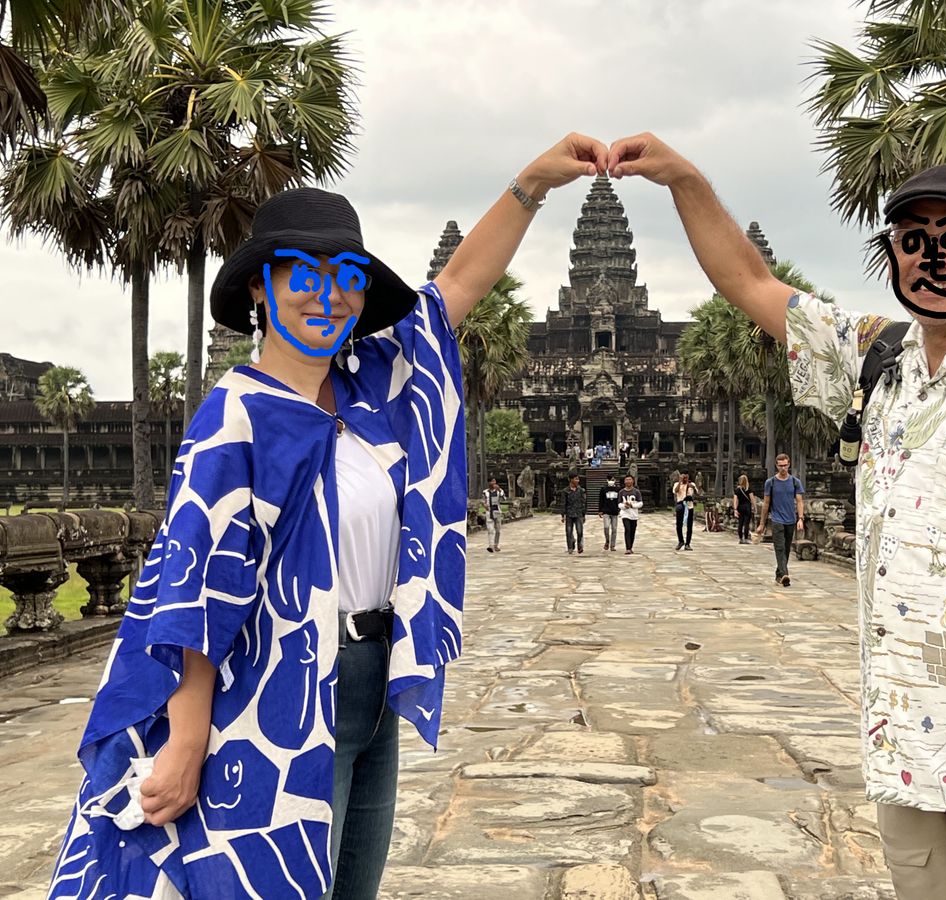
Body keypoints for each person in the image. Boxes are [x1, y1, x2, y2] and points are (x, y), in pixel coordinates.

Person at [47, 133, 609, 900]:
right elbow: (194, 588)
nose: (327, 293)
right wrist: (185, 739)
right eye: (302, 273)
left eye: (345, 276)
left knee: (352, 884)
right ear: (259, 289)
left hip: (373, 675)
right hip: (276, 690)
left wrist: (533, 183)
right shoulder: (236, 416)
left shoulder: (373, 387)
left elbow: (455, 286)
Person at [609, 133, 946, 900]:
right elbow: (749, 282)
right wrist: (684, 178)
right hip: (903, 745)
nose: (935, 258)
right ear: (894, 255)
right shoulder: (878, 359)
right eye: (913, 241)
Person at [757, 454, 805, 586]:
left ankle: (779, 574)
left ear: (789, 465)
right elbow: (766, 504)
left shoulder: (795, 482)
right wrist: (762, 523)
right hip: (777, 519)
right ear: (776, 466)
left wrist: (801, 518)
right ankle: (784, 574)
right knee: (779, 547)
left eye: (785, 465)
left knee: (787, 548)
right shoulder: (770, 482)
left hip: (791, 519)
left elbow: (799, 501)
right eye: (780, 466)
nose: (783, 468)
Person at [672, 471, 699, 550]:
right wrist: (680, 482)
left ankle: (688, 543)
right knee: (679, 525)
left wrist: (691, 486)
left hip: (689, 506)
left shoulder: (692, 484)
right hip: (680, 505)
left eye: (686, 477)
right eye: (683, 476)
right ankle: (681, 541)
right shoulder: (677, 484)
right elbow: (675, 491)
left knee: (689, 526)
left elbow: (697, 493)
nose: (684, 478)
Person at [562, 473, 587, 554]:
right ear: (571, 480)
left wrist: (584, 514)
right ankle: (570, 547)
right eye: (576, 479)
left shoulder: (581, 490)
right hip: (569, 513)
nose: (577, 481)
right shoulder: (565, 491)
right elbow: (564, 503)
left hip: (578, 513)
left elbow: (583, 503)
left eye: (578, 479)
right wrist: (563, 515)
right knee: (569, 531)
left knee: (579, 531)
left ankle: (580, 546)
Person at [618, 475, 644, 554]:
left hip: (634, 514)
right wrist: (624, 506)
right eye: (627, 480)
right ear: (624, 481)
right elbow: (619, 504)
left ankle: (630, 546)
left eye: (630, 479)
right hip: (625, 514)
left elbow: (640, 503)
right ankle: (628, 548)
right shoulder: (621, 492)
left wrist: (632, 505)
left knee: (632, 531)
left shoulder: (636, 491)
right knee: (627, 529)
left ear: (633, 481)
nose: (628, 481)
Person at [482, 476, 506, 553]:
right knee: (490, 529)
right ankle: (490, 545)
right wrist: (484, 505)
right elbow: (483, 500)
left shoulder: (499, 491)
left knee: (498, 529)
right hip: (489, 511)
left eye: (494, 481)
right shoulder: (485, 492)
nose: (493, 483)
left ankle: (496, 544)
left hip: (497, 511)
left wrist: (499, 490)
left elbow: (504, 499)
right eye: (492, 481)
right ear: (489, 483)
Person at [599, 476, 621, 551]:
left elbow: (619, 500)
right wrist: (600, 510)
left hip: (614, 511)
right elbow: (601, 500)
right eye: (609, 479)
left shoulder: (618, 489)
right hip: (606, 511)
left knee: (614, 529)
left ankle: (612, 545)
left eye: (612, 479)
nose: (611, 481)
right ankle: (607, 541)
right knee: (606, 527)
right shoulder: (604, 489)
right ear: (607, 480)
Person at [733, 474, 755, 544]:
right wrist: (754, 507)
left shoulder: (737, 490)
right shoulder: (748, 489)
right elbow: (752, 499)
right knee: (746, 523)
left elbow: (735, 500)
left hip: (740, 507)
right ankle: (745, 538)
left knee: (740, 523)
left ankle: (740, 538)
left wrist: (735, 509)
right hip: (747, 507)